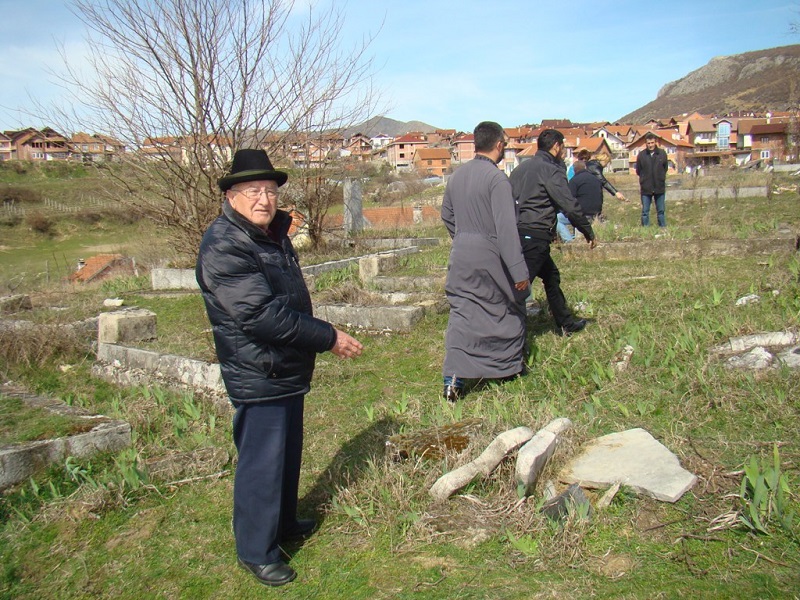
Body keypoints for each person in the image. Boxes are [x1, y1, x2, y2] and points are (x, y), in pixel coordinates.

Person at [196, 149, 363, 587]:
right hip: (258, 368)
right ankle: (256, 549)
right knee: (262, 463)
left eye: (269, 191)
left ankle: (283, 524)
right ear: (232, 196)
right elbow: (259, 315)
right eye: (253, 191)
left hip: (284, 365)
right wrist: (327, 336)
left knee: (286, 455)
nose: (264, 199)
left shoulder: (270, 234)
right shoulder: (224, 244)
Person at [440, 121, 530, 402]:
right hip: (491, 253)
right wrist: (518, 271)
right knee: (506, 306)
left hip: (461, 252)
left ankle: (452, 380)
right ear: (499, 145)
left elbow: (446, 215)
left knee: (463, 312)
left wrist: (464, 237)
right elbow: (506, 229)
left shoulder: (457, 176)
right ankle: (506, 369)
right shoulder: (497, 180)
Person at [510, 129, 597, 337]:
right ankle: (504, 332)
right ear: (556, 146)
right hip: (536, 234)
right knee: (520, 288)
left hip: (517, 232)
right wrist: (587, 231)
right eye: (563, 146)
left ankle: (565, 323)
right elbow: (568, 203)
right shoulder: (550, 170)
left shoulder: (520, 169)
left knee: (551, 275)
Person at [635, 132, 669, 227]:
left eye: (652, 143)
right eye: (648, 143)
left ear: (655, 142)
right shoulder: (641, 155)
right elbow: (638, 170)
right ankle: (646, 230)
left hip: (659, 187)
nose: (650, 145)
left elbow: (665, 168)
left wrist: (660, 177)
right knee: (645, 211)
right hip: (646, 188)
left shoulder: (662, 154)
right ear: (646, 143)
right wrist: (644, 179)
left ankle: (662, 228)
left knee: (661, 211)